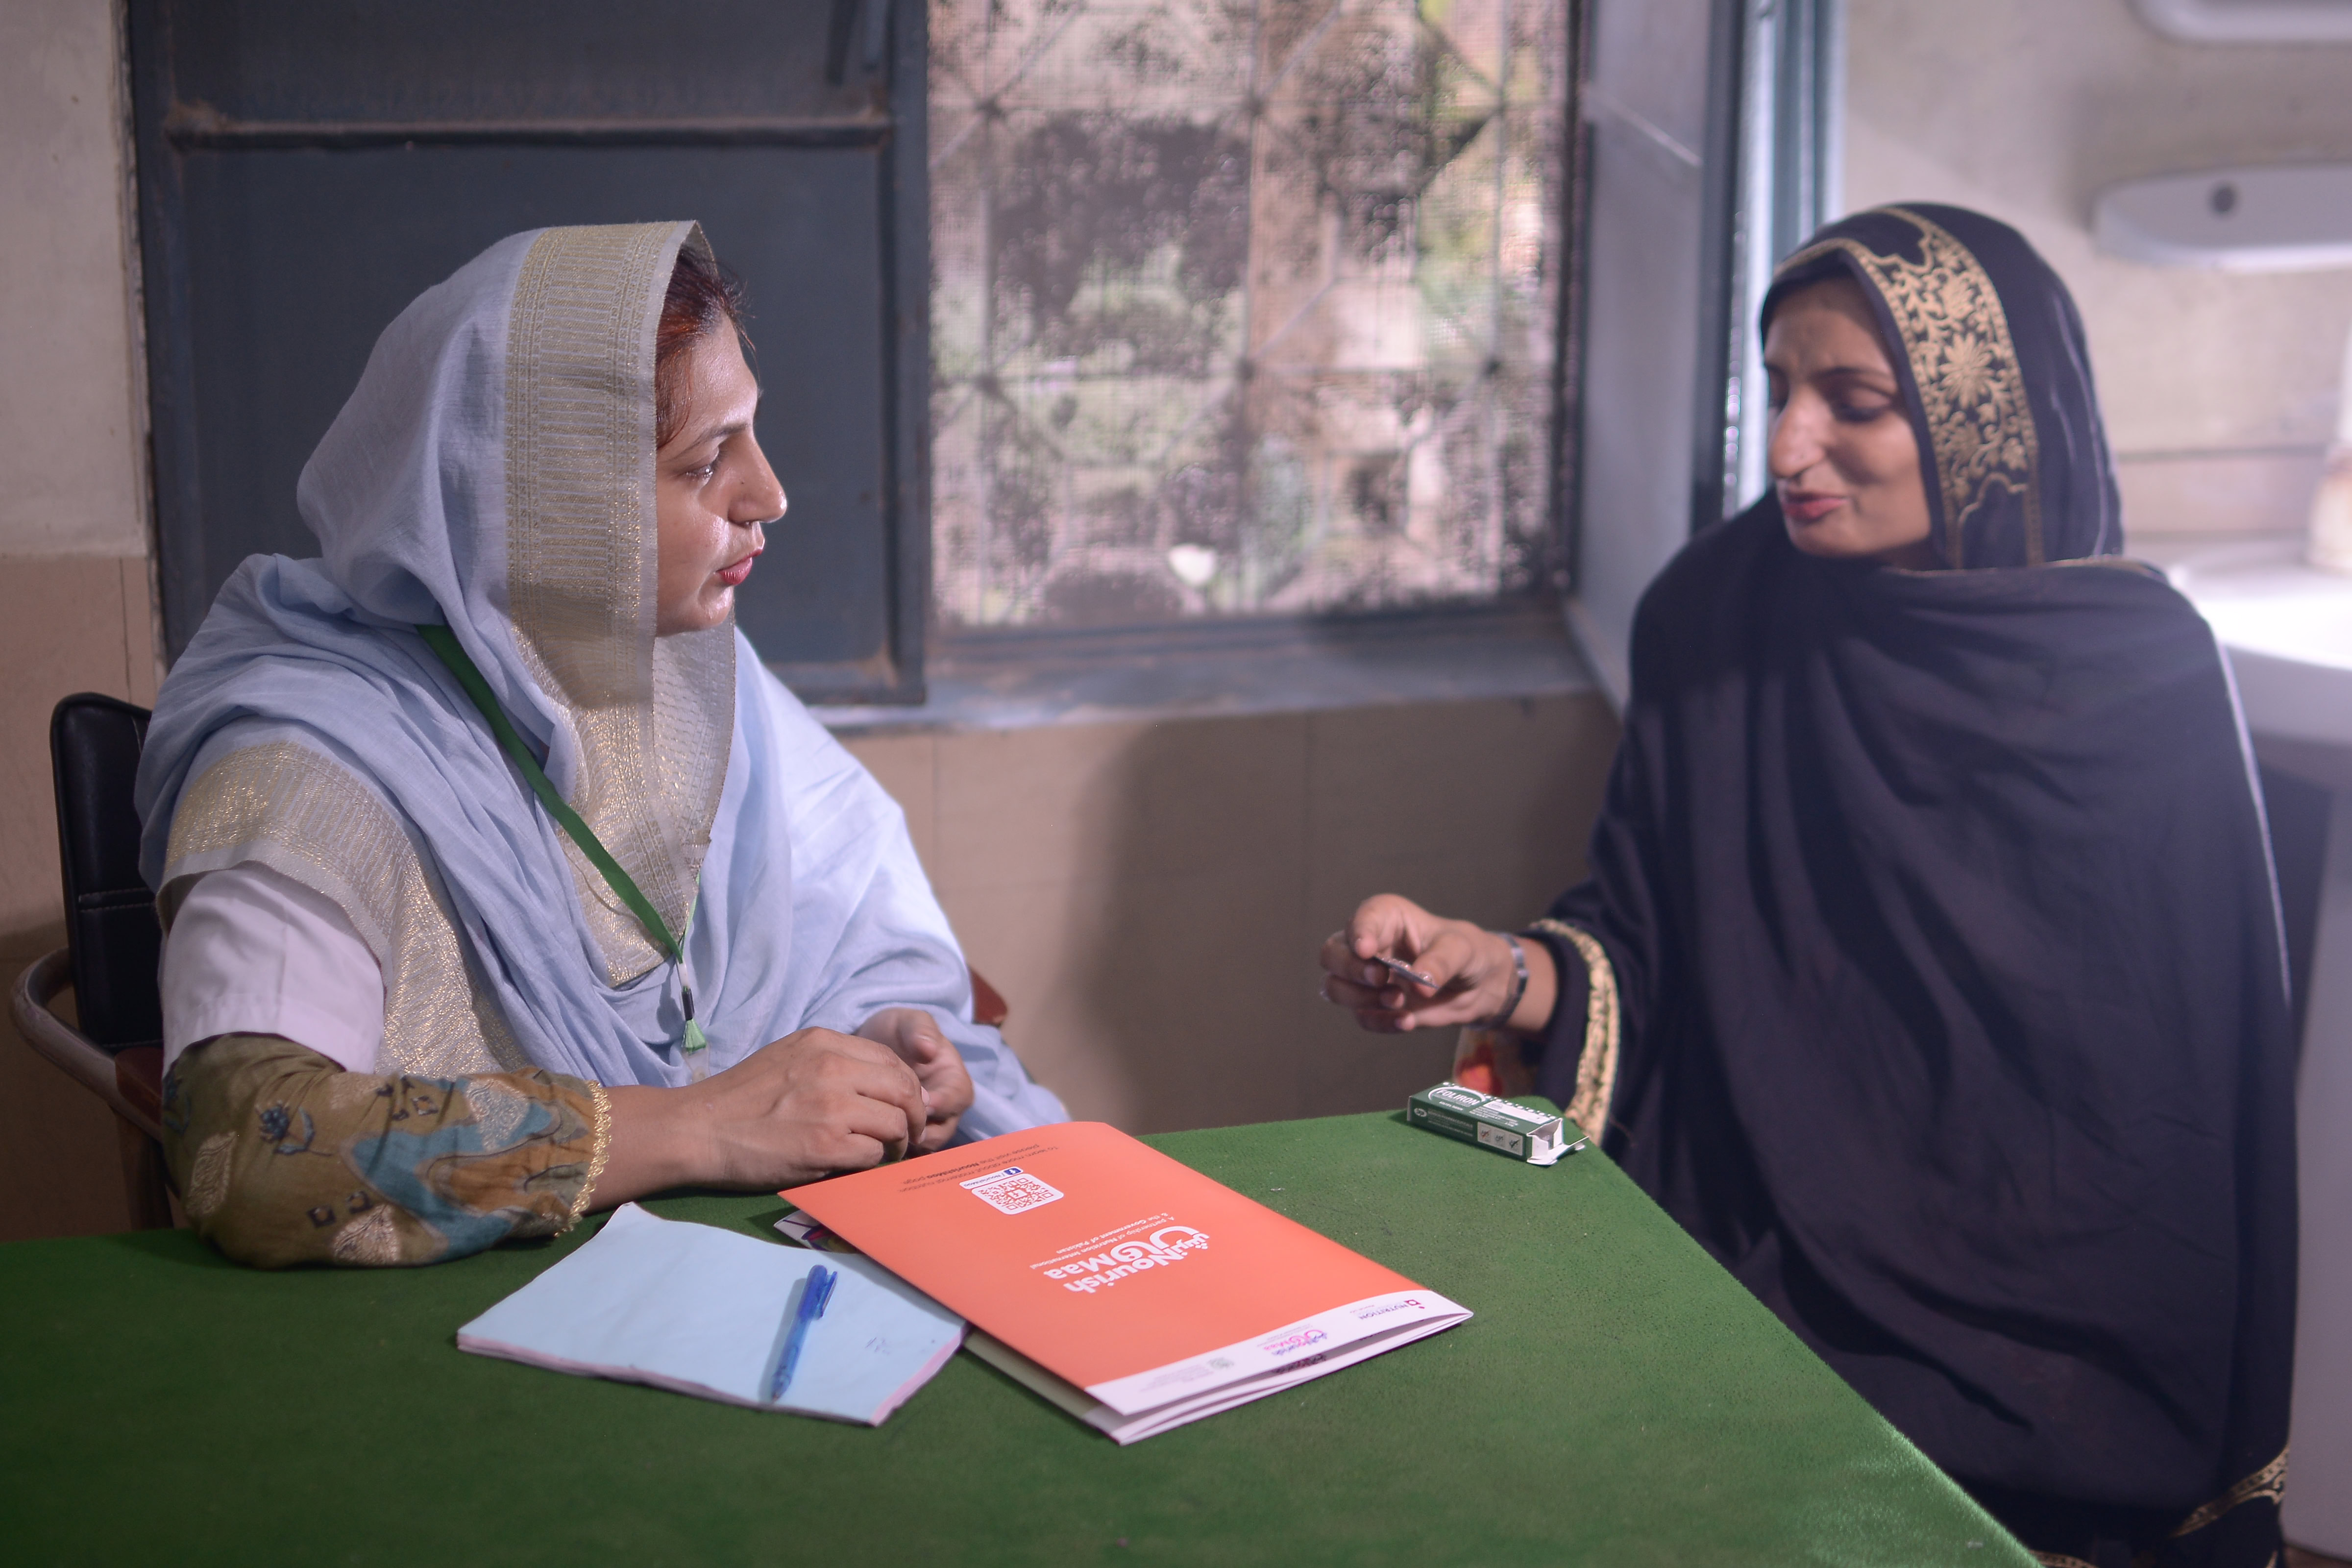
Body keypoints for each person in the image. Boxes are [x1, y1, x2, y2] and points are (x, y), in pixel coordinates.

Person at [1318, 205, 2295, 1568]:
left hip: (2061, 1329)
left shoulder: (2134, 682)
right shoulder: (1720, 612)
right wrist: (1507, 966)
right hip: (1753, 1248)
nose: (1790, 449)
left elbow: (2173, 1120)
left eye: (1859, 403)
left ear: (1987, 424)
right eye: (1779, 390)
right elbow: (1656, 941)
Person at [139, 222, 1067, 1269]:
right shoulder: (312, 764)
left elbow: (851, 914)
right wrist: (698, 1126)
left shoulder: (673, 667)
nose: (770, 496)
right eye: (709, 461)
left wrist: (880, 1047)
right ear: (556, 509)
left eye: (751, 437)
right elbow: (248, 1154)